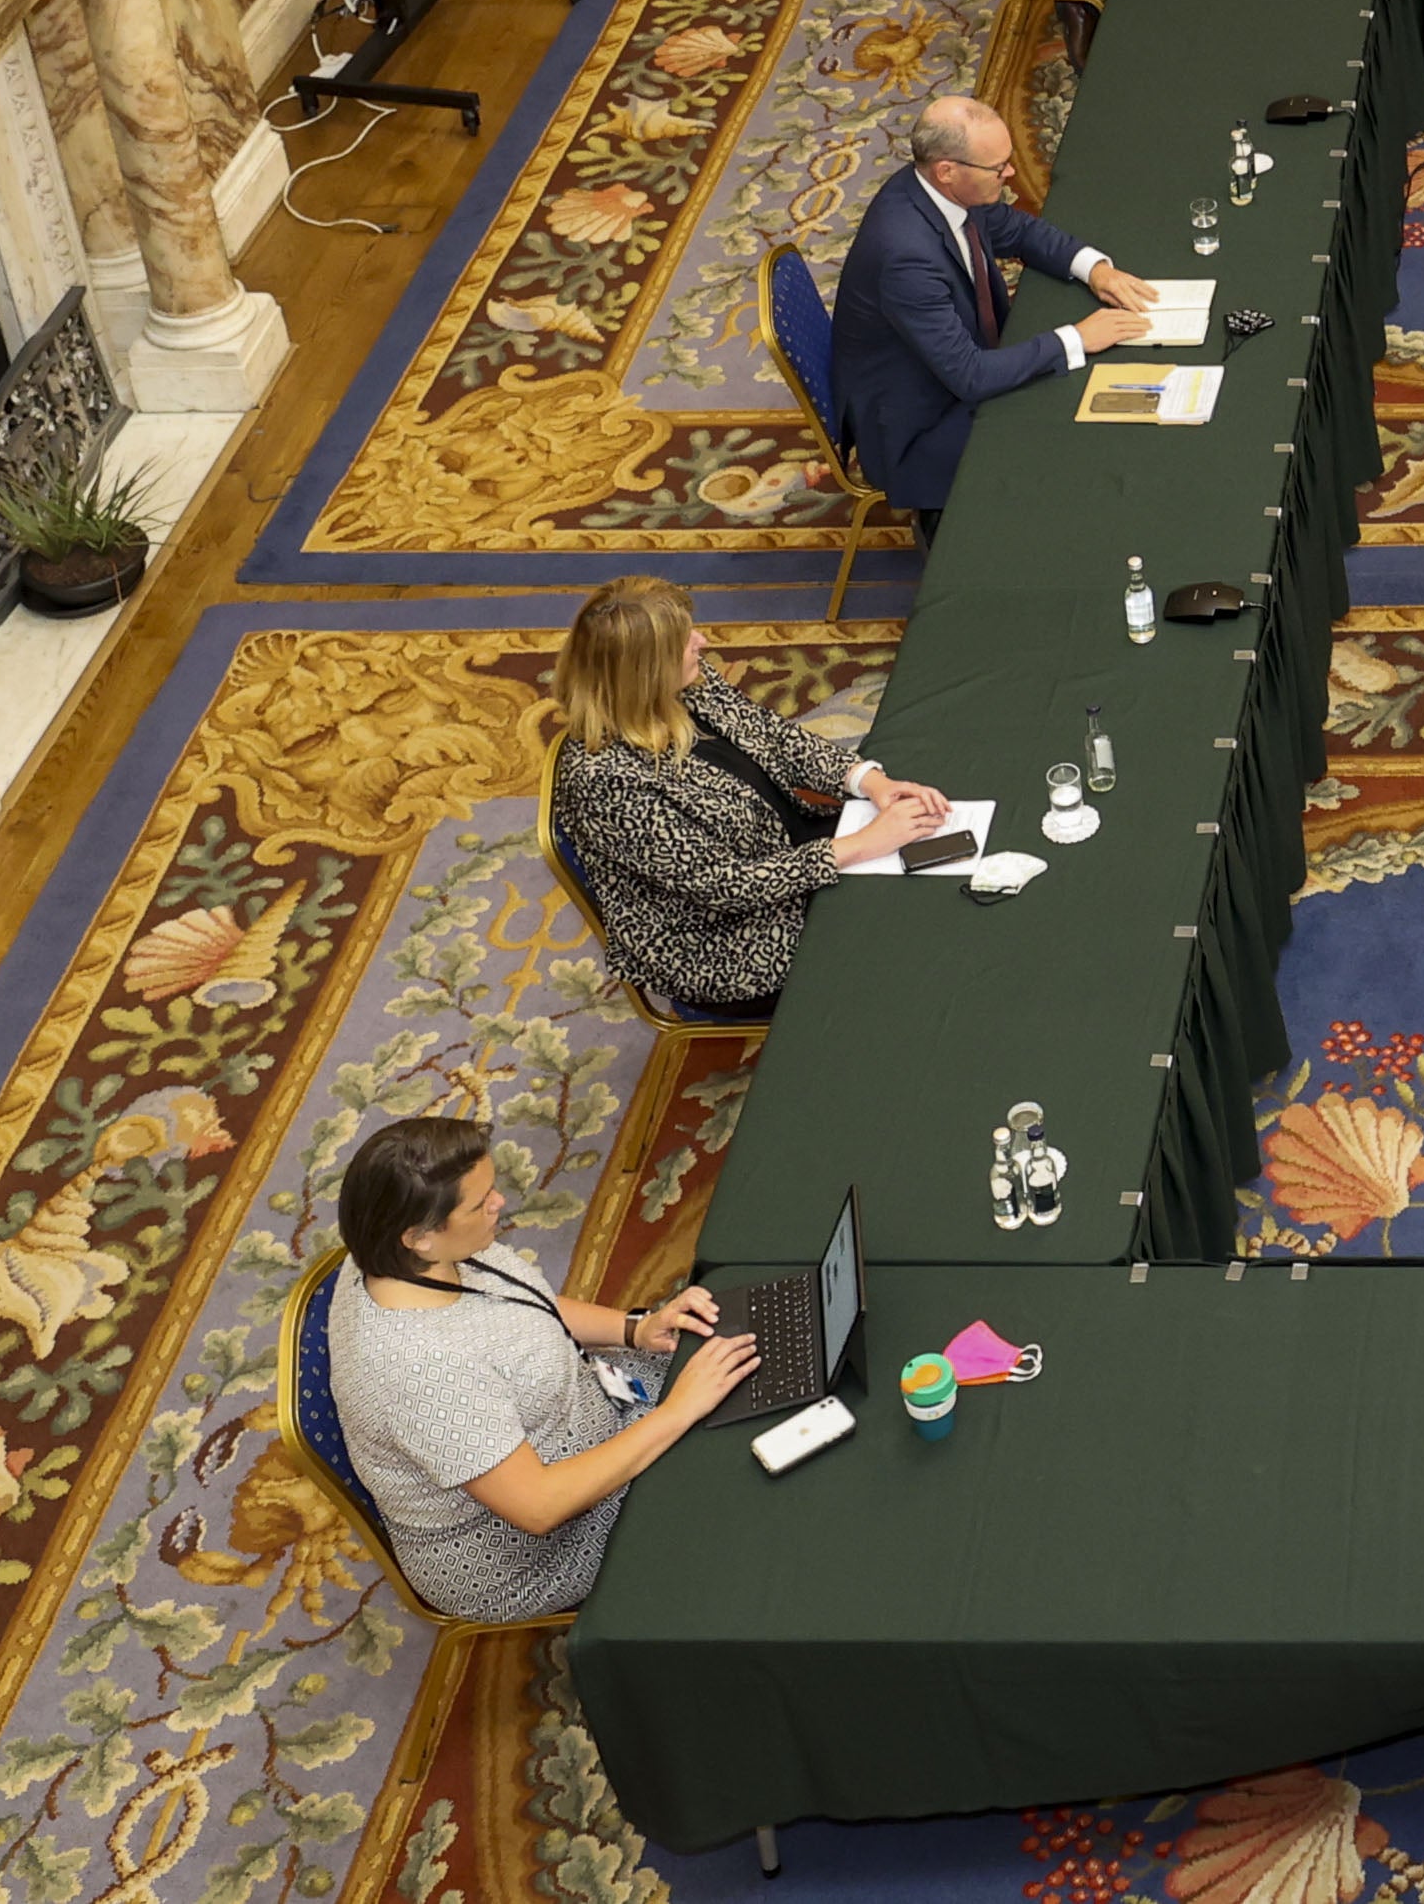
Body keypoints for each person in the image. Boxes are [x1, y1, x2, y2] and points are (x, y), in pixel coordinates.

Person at [320, 1111, 760, 1620]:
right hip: (533, 1551)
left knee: (739, 1373)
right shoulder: (419, 1373)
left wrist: (633, 1328)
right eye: (481, 1202)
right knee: (736, 1479)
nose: (499, 1203)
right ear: (419, 1235)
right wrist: (676, 1413)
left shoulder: (406, 1254)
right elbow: (539, 1506)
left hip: (589, 1408)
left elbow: (525, 1308)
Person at [547, 575, 955, 1017]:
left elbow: (774, 737)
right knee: (910, 945)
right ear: (646, 671)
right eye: (686, 642)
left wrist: (869, 781)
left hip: (788, 848)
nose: (702, 641)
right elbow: (722, 886)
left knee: (930, 880)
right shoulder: (605, 785)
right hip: (725, 940)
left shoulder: (688, 684)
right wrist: (861, 845)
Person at [827, 94, 1155, 526]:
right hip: (920, 426)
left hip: (949, 367)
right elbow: (970, 376)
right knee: (1072, 431)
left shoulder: (945, 193)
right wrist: (1078, 338)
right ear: (947, 170)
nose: (1011, 173)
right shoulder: (906, 257)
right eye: (997, 168)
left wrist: (1094, 270)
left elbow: (1015, 228)